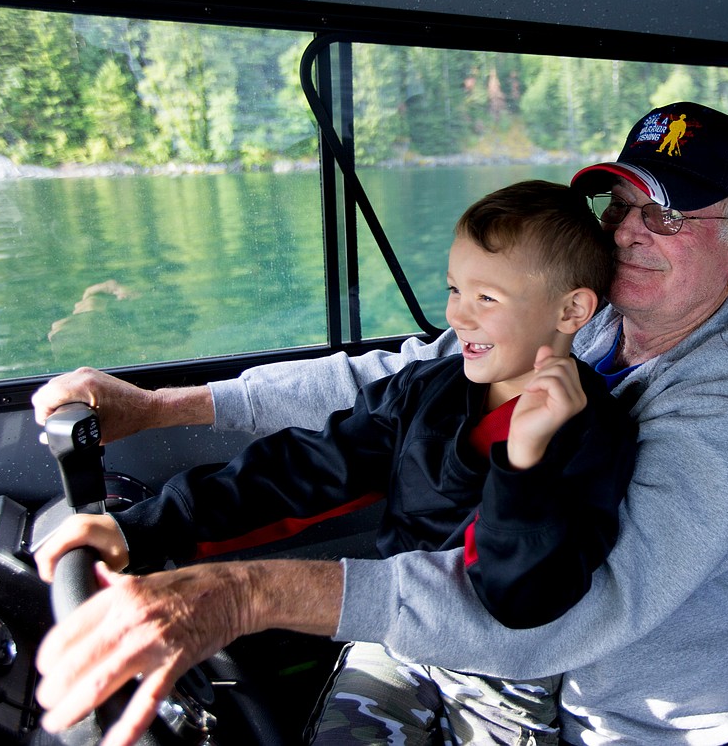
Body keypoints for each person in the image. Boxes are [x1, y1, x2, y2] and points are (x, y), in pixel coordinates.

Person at [33, 101, 728, 746]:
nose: (625, 232)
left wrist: (241, 596)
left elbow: (564, 617)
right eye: (620, 207)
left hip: (627, 722)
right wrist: (165, 408)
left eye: (668, 216)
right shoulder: (588, 319)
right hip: (475, 647)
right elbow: (397, 385)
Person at [37, 180, 636, 744]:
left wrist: (522, 464)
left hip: (500, 681)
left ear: (571, 312)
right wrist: (144, 527)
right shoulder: (426, 392)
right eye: (455, 289)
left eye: (487, 297)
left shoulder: (593, 437)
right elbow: (302, 471)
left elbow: (520, 599)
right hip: (397, 642)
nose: (458, 317)